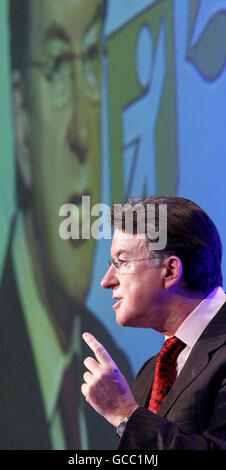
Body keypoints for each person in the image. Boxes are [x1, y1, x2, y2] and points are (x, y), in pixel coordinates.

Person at [0, 0, 133, 450]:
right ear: (21, 119)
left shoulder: (120, 376)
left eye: (93, 54)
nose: (82, 133)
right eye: (57, 65)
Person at [82, 195, 226, 450]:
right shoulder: (150, 372)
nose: (106, 280)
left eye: (121, 262)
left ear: (170, 271)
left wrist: (124, 414)